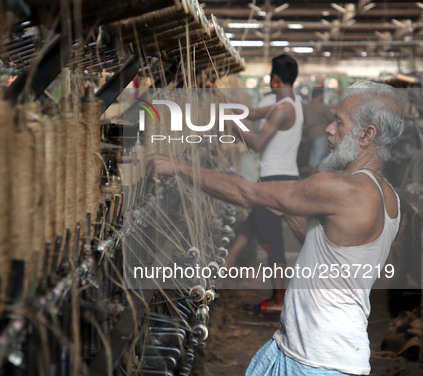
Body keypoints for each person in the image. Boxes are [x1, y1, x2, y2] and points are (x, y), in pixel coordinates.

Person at [146, 81, 403, 375]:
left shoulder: (344, 188)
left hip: (316, 361)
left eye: (339, 122)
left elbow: (246, 194)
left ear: (367, 134)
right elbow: (326, 247)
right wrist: (284, 209)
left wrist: (178, 166)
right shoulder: (388, 197)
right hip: (309, 350)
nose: (329, 129)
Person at [225, 54, 304, 313]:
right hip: (284, 177)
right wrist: (221, 100)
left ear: (275, 78)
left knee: (272, 242)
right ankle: (228, 261)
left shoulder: (283, 109)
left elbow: (258, 143)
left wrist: (234, 125)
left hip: (274, 181)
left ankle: (278, 299)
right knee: (254, 223)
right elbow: (254, 112)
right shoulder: (292, 103)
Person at [303, 87, 335, 174]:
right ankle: (313, 177)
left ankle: (311, 176)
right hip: (320, 133)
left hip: (310, 133)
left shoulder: (307, 106)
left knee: (313, 155)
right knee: (319, 156)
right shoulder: (322, 106)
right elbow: (331, 118)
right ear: (320, 95)